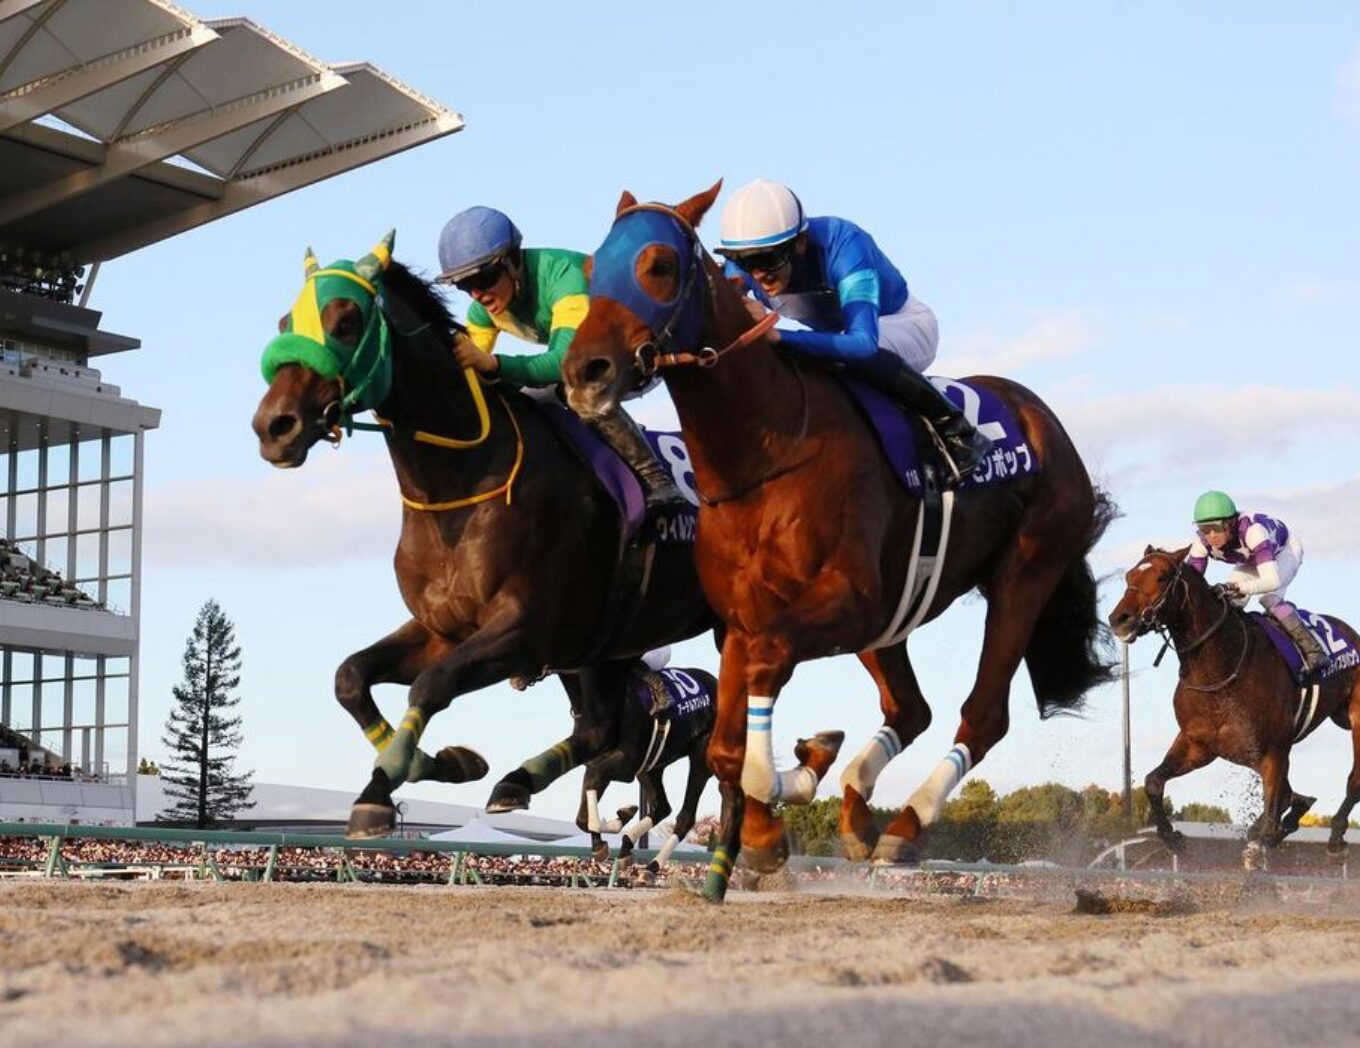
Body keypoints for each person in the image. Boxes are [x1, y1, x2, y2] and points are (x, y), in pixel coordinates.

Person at [715, 179, 991, 482]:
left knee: (835, 356)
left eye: (768, 260)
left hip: (900, 326)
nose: (757, 275)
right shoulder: (745, 265)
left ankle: (955, 428)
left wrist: (779, 336)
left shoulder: (844, 244)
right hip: (843, 338)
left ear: (801, 243)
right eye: (744, 262)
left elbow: (863, 344)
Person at [436, 206, 681, 515]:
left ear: (512, 261)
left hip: (640, 348)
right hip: (589, 353)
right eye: (463, 285)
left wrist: (496, 365)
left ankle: (657, 479)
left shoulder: (566, 279)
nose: (477, 294)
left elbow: (563, 364)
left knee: (577, 391)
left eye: (484, 278)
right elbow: (472, 372)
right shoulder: (481, 313)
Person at [1187, 490, 1329, 673]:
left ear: (1230, 523)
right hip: (1250, 559)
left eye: (1217, 526)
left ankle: (1314, 651)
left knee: (1268, 598)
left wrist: (1237, 587)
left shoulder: (1253, 531)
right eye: (1205, 528)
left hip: (1284, 551)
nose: (1211, 535)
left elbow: (1271, 581)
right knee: (1227, 603)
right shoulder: (1201, 541)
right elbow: (1191, 582)